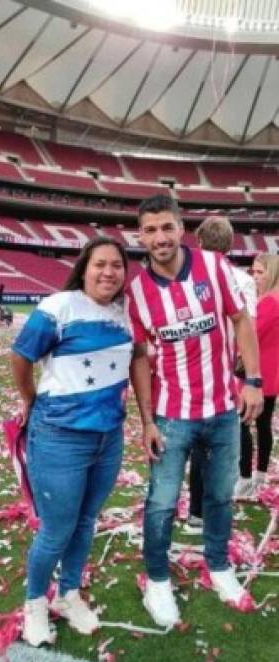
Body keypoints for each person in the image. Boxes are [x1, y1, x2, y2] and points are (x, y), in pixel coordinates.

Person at [126, 194, 263, 627]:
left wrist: (254, 382)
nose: (159, 237)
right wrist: (147, 419)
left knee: (220, 495)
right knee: (162, 502)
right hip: (171, 414)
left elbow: (241, 320)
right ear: (140, 236)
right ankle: (158, 578)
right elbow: (140, 358)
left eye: (166, 227)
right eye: (150, 230)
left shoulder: (214, 266)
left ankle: (219, 565)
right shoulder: (137, 292)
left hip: (223, 407)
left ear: (181, 228)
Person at [11, 237, 133, 647]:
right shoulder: (58, 306)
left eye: (117, 265)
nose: (108, 272)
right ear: (85, 267)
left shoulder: (124, 313)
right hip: (60, 437)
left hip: (108, 437)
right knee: (56, 528)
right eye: (100, 264)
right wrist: (30, 399)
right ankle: (34, 604)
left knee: (85, 521)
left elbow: (138, 359)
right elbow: (21, 354)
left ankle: (68, 593)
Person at [188, 216, 257, 512]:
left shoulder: (186, 277)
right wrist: (251, 377)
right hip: (228, 372)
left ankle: (196, 510)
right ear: (230, 244)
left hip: (193, 372)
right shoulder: (243, 280)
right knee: (224, 442)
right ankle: (219, 503)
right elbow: (248, 325)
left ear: (199, 242)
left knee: (196, 442)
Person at [238, 253, 279, 492]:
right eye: (253, 271)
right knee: (263, 425)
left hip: (257, 373)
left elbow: (250, 335)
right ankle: (260, 474)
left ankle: (245, 479)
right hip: (270, 373)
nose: (254, 277)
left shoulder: (269, 302)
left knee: (242, 423)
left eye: (260, 272)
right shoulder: (270, 299)